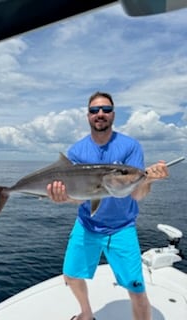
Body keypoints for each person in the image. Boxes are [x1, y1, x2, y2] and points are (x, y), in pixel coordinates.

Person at [47, 91, 169, 320]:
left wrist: (149, 179)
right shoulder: (76, 151)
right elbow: (80, 198)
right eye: (94, 110)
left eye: (106, 109)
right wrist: (61, 197)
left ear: (113, 114)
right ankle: (86, 314)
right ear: (88, 116)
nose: (100, 114)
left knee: (136, 289)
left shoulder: (130, 146)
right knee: (71, 275)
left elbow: (136, 195)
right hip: (87, 224)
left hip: (122, 227)